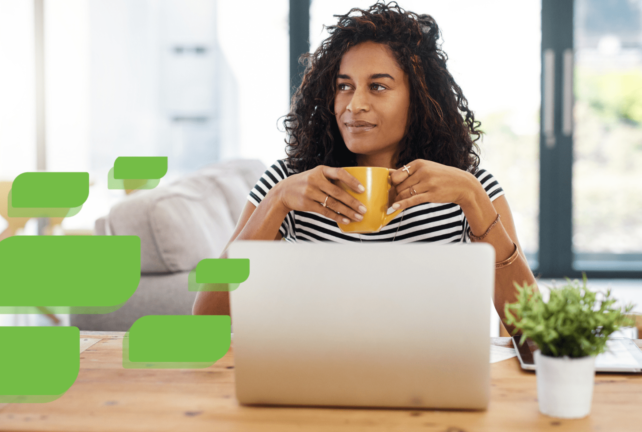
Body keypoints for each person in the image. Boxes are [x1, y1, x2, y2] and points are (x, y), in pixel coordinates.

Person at [193, 1, 537, 334]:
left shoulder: (470, 188)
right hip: (312, 382)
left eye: (377, 86)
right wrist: (277, 201)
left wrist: (473, 199)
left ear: (418, 97)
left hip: (427, 387)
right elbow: (207, 320)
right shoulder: (289, 183)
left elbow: (533, 333)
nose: (354, 105)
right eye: (345, 86)